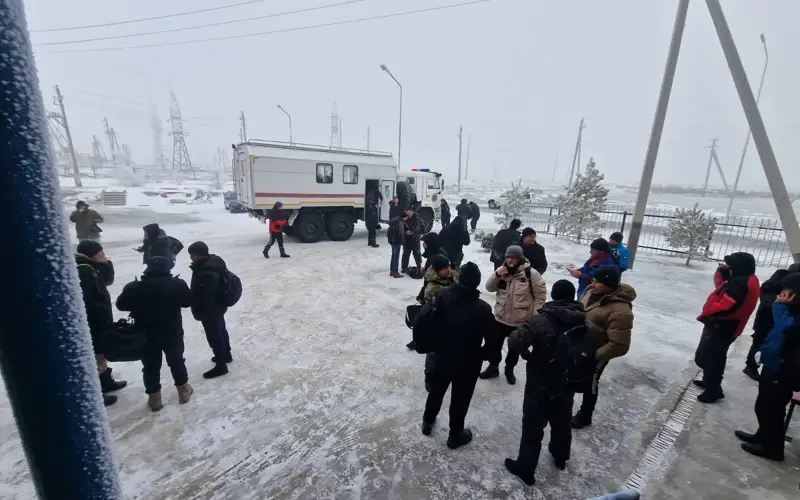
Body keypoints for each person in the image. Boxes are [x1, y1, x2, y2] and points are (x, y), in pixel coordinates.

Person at [504, 280, 588, 485]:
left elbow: (515, 341)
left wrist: (526, 348)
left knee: (533, 425)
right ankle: (560, 455)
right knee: (562, 420)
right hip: (568, 381)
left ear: (554, 295)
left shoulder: (540, 321)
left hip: (541, 380)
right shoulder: (584, 321)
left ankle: (526, 468)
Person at [417, 262, 495, 449]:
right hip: (468, 361)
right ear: (476, 283)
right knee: (461, 398)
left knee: (436, 390)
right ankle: (455, 434)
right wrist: (484, 355)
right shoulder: (482, 309)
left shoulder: (441, 296)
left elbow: (428, 320)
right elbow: (493, 339)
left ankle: (427, 422)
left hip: (442, 355)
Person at [735, 272, 800, 462]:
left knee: (772, 407)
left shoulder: (789, 312)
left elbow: (790, 331)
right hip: (775, 362)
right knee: (764, 404)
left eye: (788, 289)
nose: (783, 292)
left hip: (786, 367)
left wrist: (780, 307)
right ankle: (763, 436)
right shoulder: (793, 308)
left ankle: (773, 449)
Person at [116, 257, 193, 411]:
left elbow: (121, 305)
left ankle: (155, 399)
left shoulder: (135, 287)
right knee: (177, 361)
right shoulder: (178, 284)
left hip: (146, 334)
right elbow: (187, 302)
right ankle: (183, 391)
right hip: (172, 332)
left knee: (150, 367)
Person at [572, 267, 636, 429]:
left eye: (598, 282)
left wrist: (593, 356)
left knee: (590, 382)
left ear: (609, 285)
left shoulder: (621, 311)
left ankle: (585, 414)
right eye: (593, 280)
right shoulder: (590, 290)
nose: (593, 284)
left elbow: (619, 345)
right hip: (580, 345)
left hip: (597, 351)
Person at [694, 252, 760, 403]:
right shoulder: (745, 278)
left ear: (738, 267)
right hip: (726, 325)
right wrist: (723, 272)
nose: (728, 267)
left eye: (730, 265)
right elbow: (722, 287)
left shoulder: (741, 283)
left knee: (711, 358)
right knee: (710, 356)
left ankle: (713, 391)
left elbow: (726, 306)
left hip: (723, 325)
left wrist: (708, 314)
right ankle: (710, 383)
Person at [482, 245, 547, 385]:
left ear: (520, 258)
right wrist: (496, 275)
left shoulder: (531, 274)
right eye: (508, 257)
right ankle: (493, 367)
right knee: (494, 346)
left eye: (513, 258)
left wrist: (534, 319)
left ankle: (509, 369)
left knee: (514, 349)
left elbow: (540, 298)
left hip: (519, 321)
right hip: (500, 318)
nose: (510, 261)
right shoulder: (502, 271)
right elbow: (489, 288)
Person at [75, 240, 127, 407]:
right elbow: (91, 302)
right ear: (90, 256)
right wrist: (102, 322)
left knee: (101, 354)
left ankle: (106, 382)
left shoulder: (90, 268)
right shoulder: (84, 272)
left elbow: (107, 280)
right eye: (101, 254)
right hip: (93, 323)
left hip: (98, 321)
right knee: (94, 357)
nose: (104, 256)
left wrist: (105, 264)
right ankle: (97, 393)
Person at [188, 241, 232, 379]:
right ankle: (226, 355)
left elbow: (204, 294)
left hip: (210, 308)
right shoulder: (214, 261)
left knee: (214, 336)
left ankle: (221, 365)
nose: (191, 258)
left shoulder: (206, 272)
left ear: (199, 255)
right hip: (219, 304)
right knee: (221, 329)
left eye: (192, 255)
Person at [744, 269, 791, 381]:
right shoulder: (774, 286)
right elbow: (767, 300)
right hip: (766, 321)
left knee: (763, 343)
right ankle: (751, 366)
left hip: (770, 320)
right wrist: (780, 302)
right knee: (759, 342)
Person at [401, 207, 424, 274]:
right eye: (407, 211)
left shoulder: (418, 218)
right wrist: (405, 232)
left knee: (417, 254)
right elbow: (401, 228)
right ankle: (404, 268)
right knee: (405, 254)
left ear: (412, 211)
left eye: (409, 211)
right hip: (407, 240)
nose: (408, 213)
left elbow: (422, 229)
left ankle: (419, 267)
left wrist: (413, 231)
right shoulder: (404, 218)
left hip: (415, 239)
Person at [387, 197, 405, 278]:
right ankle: (395, 272)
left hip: (392, 238)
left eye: (397, 199)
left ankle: (392, 270)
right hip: (395, 238)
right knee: (396, 254)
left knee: (394, 254)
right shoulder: (397, 223)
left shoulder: (398, 207)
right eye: (395, 199)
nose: (396, 200)